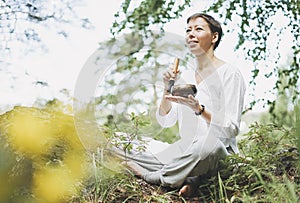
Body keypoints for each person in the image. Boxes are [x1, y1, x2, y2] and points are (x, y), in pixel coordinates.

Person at [113, 12, 246, 197]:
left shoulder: (230, 74)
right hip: (184, 152)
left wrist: (198, 109)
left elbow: (231, 129)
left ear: (214, 37)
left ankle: (154, 177)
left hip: (214, 154)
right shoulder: (186, 77)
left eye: (198, 29)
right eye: (188, 30)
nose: (191, 34)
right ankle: (187, 177)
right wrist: (167, 89)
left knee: (209, 146)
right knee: (118, 141)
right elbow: (166, 120)